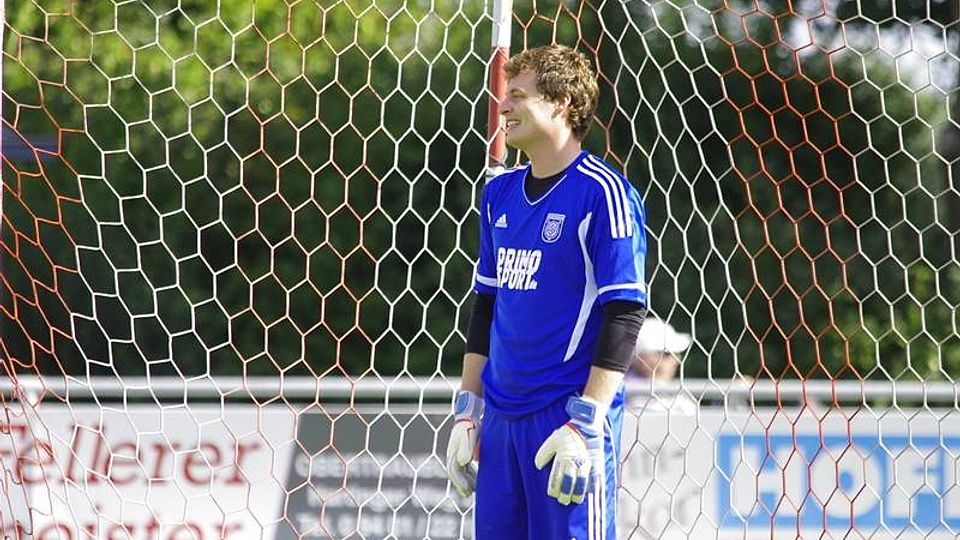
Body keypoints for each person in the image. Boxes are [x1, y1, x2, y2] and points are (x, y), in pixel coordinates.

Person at [445, 44, 648, 540]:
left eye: (518, 95)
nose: (503, 107)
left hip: (567, 421)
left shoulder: (603, 194)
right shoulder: (498, 194)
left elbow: (625, 312)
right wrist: (468, 411)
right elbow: (485, 305)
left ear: (560, 103)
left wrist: (587, 421)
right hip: (500, 422)